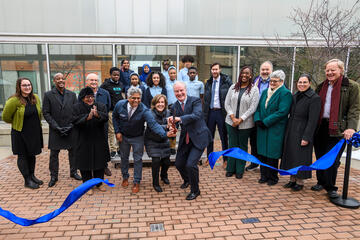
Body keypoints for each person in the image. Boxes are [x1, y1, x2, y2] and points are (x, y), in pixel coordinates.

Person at [312, 59, 360, 199]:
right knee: (320, 156)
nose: (330, 73)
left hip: (338, 129)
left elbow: (354, 109)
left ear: (341, 70)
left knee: (332, 160)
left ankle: (331, 187)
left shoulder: (351, 86)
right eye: (327, 70)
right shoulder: (321, 86)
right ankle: (321, 182)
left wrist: (351, 128)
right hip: (321, 127)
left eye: (333, 70)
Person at [113, 87, 173, 193]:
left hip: (138, 137)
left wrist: (165, 134)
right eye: (133, 98)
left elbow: (153, 124)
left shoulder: (144, 109)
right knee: (124, 158)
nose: (136, 100)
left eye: (138, 98)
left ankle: (136, 181)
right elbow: (115, 117)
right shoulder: (120, 105)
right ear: (128, 97)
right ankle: (125, 177)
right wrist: (117, 131)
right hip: (124, 136)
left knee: (137, 159)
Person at [168, 81, 211, 200]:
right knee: (179, 163)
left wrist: (179, 118)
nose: (179, 93)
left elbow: (196, 115)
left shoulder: (195, 101)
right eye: (177, 91)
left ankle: (195, 190)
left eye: (181, 90)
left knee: (191, 164)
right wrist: (172, 128)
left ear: (186, 90)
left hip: (199, 136)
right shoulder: (174, 106)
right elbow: (175, 124)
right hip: (185, 138)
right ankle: (187, 179)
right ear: (174, 93)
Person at [281, 74, 321, 191]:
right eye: (300, 82)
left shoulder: (314, 98)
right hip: (291, 128)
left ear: (309, 83)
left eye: (304, 82)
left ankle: (300, 182)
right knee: (291, 155)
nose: (302, 84)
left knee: (301, 157)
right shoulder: (295, 96)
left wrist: (306, 137)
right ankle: (292, 179)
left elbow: (313, 121)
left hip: (303, 131)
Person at [2, 77, 43, 189]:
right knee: (23, 156)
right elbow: (5, 117)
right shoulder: (14, 100)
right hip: (20, 133)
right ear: (19, 87)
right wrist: (16, 123)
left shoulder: (35, 98)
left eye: (29, 85)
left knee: (32, 155)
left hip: (34, 132)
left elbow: (39, 113)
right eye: (24, 85)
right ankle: (27, 180)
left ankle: (32, 176)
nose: (27, 87)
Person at [42, 73, 81, 188]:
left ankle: (73, 172)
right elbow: (46, 113)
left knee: (73, 152)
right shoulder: (48, 95)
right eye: (58, 78)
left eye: (62, 78)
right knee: (54, 154)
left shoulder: (72, 95)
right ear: (54, 80)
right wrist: (56, 127)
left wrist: (70, 125)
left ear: (65, 80)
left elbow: (76, 112)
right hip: (55, 129)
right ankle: (54, 176)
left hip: (70, 129)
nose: (61, 80)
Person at [254, 70, 292, 186]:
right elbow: (259, 108)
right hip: (262, 128)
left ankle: (273, 177)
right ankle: (263, 175)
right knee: (262, 153)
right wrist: (258, 119)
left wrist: (266, 122)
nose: (272, 83)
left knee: (272, 154)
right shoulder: (265, 92)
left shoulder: (285, 94)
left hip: (274, 128)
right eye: (271, 80)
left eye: (275, 81)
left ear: (281, 82)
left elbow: (282, 112)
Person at [224, 66, 260, 179]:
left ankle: (239, 170)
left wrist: (241, 119)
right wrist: (233, 117)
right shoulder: (233, 87)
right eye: (242, 73)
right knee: (232, 145)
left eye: (247, 73)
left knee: (242, 146)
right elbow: (227, 103)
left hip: (246, 124)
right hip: (231, 122)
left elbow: (253, 107)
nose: (244, 75)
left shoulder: (254, 89)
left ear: (250, 76)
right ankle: (230, 168)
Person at [73, 87, 109, 195]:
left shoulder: (100, 106)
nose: (90, 99)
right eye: (87, 97)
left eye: (92, 97)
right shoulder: (76, 107)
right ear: (82, 98)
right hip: (83, 139)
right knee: (85, 162)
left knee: (99, 161)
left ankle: (99, 182)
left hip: (98, 138)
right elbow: (74, 120)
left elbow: (106, 117)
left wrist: (97, 115)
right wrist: (86, 118)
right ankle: (87, 185)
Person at [203, 63, 233, 167]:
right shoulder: (208, 82)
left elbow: (231, 97)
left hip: (221, 112)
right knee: (209, 137)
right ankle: (209, 158)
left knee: (223, 137)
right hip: (211, 112)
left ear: (220, 70)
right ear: (211, 70)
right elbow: (206, 100)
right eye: (212, 69)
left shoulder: (226, 81)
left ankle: (226, 160)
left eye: (216, 69)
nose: (214, 71)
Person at [246, 61, 273, 171]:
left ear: (271, 71)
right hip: (254, 116)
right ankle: (255, 162)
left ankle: (265, 164)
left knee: (265, 141)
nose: (265, 72)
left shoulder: (276, 81)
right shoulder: (255, 81)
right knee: (254, 141)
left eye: (267, 70)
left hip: (268, 117)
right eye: (263, 69)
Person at [85, 73, 112, 176]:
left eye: (96, 80)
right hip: (88, 124)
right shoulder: (83, 93)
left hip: (102, 124)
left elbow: (108, 107)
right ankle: (91, 166)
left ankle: (104, 166)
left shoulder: (105, 93)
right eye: (91, 80)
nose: (94, 82)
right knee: (89, 145)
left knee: (103, 145)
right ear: (87, 81)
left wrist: (100, 116)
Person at [144, 94, 171, 192]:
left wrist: (171, 126)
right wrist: (166, 127)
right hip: (152, 140)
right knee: (156, 161)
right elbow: (154, 127)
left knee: (167, 161)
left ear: (165, 104)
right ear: (154, 104)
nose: (160, 104)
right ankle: (155, 183)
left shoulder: (168, 112)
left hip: (164, 140)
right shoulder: (149, 113)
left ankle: (164, 175)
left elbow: (172, 124)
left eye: (162, 102)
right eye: (158, 102)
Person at [100, 67, 125, 164]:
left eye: (118, 75)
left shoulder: (121, 84)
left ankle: (119, 148)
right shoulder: (105, 85)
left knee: (120, 130)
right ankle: (113, 150)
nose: (116, 76)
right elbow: (101, 94)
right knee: (112, 130)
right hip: (111, 111)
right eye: (114, 75)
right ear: (110, 75)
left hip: (120, 111)